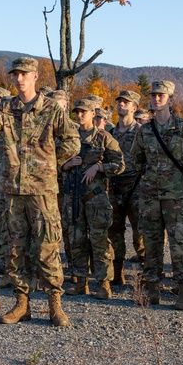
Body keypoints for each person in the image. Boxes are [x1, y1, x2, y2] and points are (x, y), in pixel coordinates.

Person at [0, 57, 80, 327]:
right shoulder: (6, 109)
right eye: (15, 74)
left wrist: (49, 164)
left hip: (42, 192)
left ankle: (54, 304)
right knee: (15, 249)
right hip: (12, 190)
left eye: (25, 74)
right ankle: (22, 303)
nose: (20, 78)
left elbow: (72, 141)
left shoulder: (51, 109)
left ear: (36, 76)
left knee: (47, 247)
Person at [131, 81, 183, 310]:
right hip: (150, 198)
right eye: (154, 95)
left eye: (161, 96)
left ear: (171, 100)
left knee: (179, 246)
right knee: (152, 243)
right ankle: (152, 290)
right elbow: (136, 159)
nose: (157, 99)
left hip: (177, 198)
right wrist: (148, 177)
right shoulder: (145, 130)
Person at [63, 99, 125, 299]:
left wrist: (98, 167)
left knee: (99, 241)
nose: (80, 116)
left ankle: (104, 284)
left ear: (93, 114)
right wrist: (66, 165)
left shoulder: (103, 137)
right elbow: (53, 162)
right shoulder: (68, 137)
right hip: (73, 196)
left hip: (96, 197)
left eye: (84, 112)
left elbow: (120, 164)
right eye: (77, 112)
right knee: (76, 240)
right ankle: (81, 282)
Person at [109, 89, 146, 284]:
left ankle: (148, 272)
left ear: (134, 107)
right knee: (114, 230)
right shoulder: (111, 133)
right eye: (119, 101)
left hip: (136, 186)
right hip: (115, 186)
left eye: (126, 102)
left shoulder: (142, 132)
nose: (121, 104)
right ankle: (117, 273)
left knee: (142, 231)